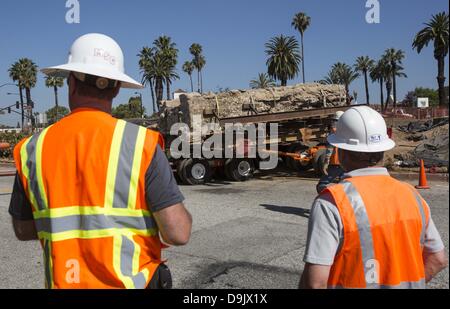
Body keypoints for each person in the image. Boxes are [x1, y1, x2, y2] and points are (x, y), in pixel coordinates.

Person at [8, 33, 192, 289]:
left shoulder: (31, 149)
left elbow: (23, 230)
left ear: (70, 82)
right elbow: (178, 233)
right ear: (116, 88)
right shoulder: (141, 143)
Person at [300, 106, 447, 289]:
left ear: (342, 151)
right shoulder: (413, 196)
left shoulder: (333, 202)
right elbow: (438, 259)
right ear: (382, 149)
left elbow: (316, 283)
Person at [316, 111, 345, 194]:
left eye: (335, 121)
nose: (333, 124)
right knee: (343, 185)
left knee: (322, 184)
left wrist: (326, 161)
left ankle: (329, 200)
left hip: (335, 163)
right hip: (346, 163)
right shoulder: (348, 132)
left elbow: (330, 148)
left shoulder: (334, 133)